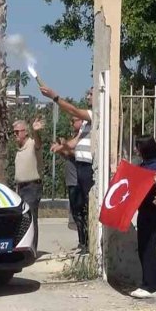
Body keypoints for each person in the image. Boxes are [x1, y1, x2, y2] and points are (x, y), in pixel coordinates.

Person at [44, 86, 93, 254]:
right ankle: (84, 243)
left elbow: (73, 110)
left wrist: (55, 97)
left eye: (91, 94)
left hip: (89, 167)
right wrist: (61, 147)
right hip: (81, 166)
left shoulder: (95, 114)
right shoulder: (86, 123)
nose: (88, 96)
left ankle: (90, 243)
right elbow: (75, 143)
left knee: (88, 206)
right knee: (81, 208)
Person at [129, 136, 156, 300]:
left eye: (137, 146)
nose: (135, 150)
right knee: (143, 247)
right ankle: (147, 283)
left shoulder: (155, 165)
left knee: (148, 248)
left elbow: (153, 181)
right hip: (144, 210)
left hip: (151, 211)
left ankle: (152, 286)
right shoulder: (144, 164)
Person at [13, 118, 44, 252]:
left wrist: (36, 132)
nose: (14, 135)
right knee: (22, 220)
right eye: (13, 132)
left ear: (25, 132)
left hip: (32, 187)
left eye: (17, 132)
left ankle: (32, 249)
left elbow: (38, 144)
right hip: (21, 188)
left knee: (31, 218)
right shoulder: (19, 150)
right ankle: (23, 247)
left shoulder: (32, 144)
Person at [57, 116, 85, 249]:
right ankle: (81, 240)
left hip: (77, 181)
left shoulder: (83, 138)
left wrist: (64, 147)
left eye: (74, 120)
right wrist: (61, 150)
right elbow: (68, 154)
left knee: (80, 212)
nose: (71, 123)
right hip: (71, 180)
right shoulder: (74, 137)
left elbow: (77, 153)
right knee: (75, 213)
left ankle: (84, 241)